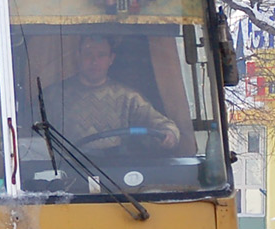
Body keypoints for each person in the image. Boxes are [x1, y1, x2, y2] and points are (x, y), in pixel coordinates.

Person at [43, 35, 180, 152]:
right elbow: (31, 136)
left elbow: (162, 125)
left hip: (115, 173)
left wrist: (170, 134)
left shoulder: (129, 97)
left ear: (111, 59)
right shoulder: (54, 96)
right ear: (78, 57)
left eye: (101, 55)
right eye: (88, 54)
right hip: (70, 169)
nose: (94, 61)